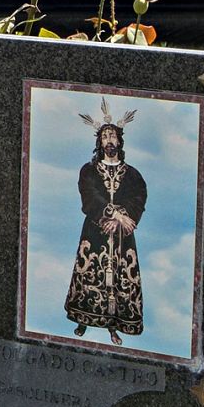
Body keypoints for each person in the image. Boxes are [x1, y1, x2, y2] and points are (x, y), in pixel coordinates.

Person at [64, 99, 146, 346]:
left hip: (122, 236)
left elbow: (139, 195)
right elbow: (90, 196)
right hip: (95, 233)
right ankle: (83, 319)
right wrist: (111, 215)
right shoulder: (88, 170)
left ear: (120, 141)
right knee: (90, 274)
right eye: (105, 137)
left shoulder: (132, 173)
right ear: (99, 142)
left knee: (121, 277)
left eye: (113, 137)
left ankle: (114, 325)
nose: (109, 141)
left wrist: (123, 217)